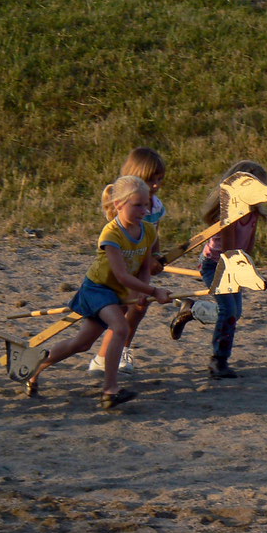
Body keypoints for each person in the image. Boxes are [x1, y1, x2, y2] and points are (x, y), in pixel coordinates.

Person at [25, 175, 171, 409]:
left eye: (147, 204)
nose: (144, 210)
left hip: (119, 292)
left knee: (81, 344)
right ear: (119, 205)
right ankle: (110, 391)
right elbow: (122, 274)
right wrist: (154, 290)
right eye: (137, 205)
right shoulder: (111, 234)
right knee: (121, 327)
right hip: (97, 289)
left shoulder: (149, 232)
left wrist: (143, 294)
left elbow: (145, 269)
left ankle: (35, 366)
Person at [172, 161, 267, 379]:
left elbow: (248, 248)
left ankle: (193, 309)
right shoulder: (228, 216)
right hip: (215, 265)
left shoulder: (252, 215)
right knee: (228, 311)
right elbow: (228, 251)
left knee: (235, 312)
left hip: (235, 263)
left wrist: (249, 269)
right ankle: (218, 360)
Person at [89, 147, 168, 375]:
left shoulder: (155, 205)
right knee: (121, 311)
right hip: (122, 267)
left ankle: (121, 349)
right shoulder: (125, 205)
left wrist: (154, 257)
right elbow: (120, 240)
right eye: (150, 180)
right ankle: (104, 357)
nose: (156, 185)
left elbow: (154, 235)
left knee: (138, 309)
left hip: (139, 264)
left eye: (159, 179)